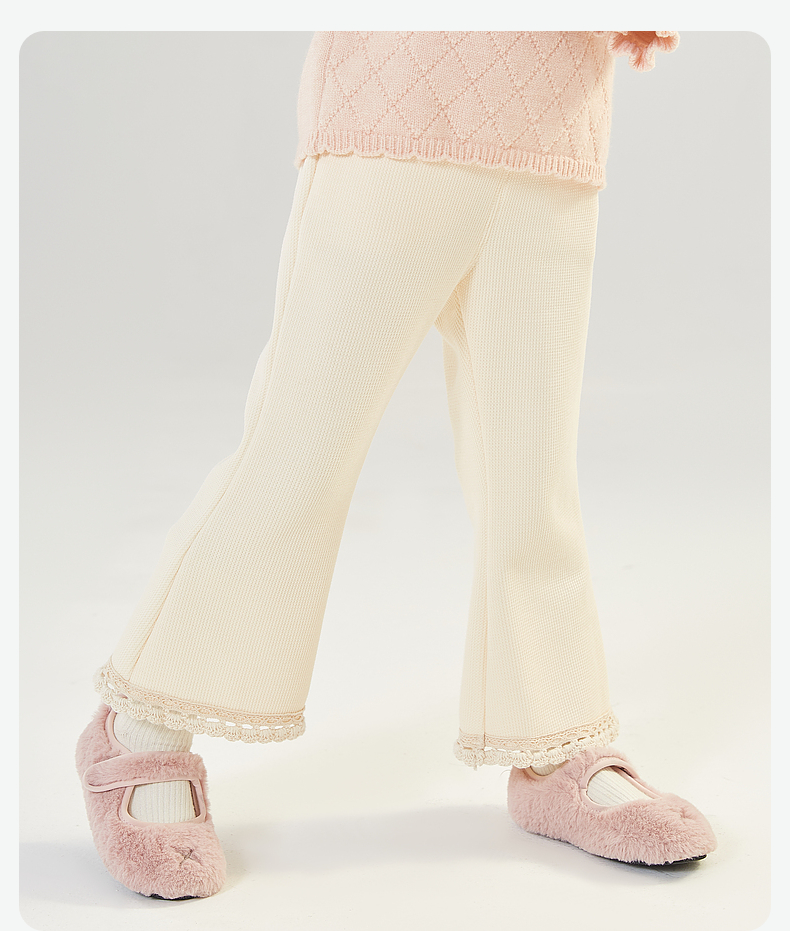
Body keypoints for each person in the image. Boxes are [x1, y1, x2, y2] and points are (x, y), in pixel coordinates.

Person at [75, 30, 717, 900]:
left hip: (556, 112)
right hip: (401, 98)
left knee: (532, 480)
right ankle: (142, 722)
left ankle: (554, 742)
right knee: (298, 451)